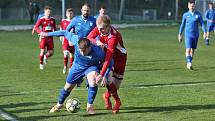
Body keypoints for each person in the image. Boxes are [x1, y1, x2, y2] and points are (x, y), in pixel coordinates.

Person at [40, 30, 111, 115]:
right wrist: (47, 34)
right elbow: (65, 33)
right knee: (67, 87)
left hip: (91, 67)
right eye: (80, 50)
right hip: (77, 67)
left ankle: (90, 107)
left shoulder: (98, 52)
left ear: (89, 47)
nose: (82, 53)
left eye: (84, 51)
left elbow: (109, 62)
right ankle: (59, 104)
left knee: (93, 81)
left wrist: (104, 75)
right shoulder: (76, 40)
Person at [88, 15, 127, 114]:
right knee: (109, 79)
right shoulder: (99, 27)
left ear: (108, 26)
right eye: (98, 28)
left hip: (120, 59)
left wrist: (102, 74)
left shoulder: (113, 37)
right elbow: (89, 37)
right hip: (107, 58)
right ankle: (118, 101)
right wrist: (97, 41)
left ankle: (106, 96)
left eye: (101, 29)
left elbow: (109, 58)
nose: (99, 31)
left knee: (115, 86)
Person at [178, 0, 206, 70]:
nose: (192, 7)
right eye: (191, 6)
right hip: (188, 35)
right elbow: (182, 25)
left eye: (193, 6)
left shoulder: (198, 14)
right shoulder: (185, 15)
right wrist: (180, 34)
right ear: (188, 6)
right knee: (188, 49)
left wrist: (205, 32)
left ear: (194, 6)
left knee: (192, 51)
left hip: (196, 35)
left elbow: (202, 24)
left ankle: (189, 63)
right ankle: (189, 62)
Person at [34, 6, 56, 70]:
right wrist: (40, 33)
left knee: (51, 53)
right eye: (47, 12)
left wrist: (55, 33)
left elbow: (54, 28)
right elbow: (36, 27)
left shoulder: (53, 19)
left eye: (49, 12)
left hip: (50, 38)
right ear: (44, 12)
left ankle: (45, 57)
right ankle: (41, 64)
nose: (48, 13)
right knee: (42, 51)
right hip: (43, 37)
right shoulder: (41, 19)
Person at [60, 8, 74, 74]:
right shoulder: (63, 21)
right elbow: (61, 29)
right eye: (68, 13)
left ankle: (70, 68)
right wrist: (61, 37)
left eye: (71, 13)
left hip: (72, 40)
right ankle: (65, 66)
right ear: (66, 14)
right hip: (65, 40)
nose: (70, 15)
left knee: (72, 55)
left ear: (73, 14)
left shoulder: (74, 21)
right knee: (65, 54)